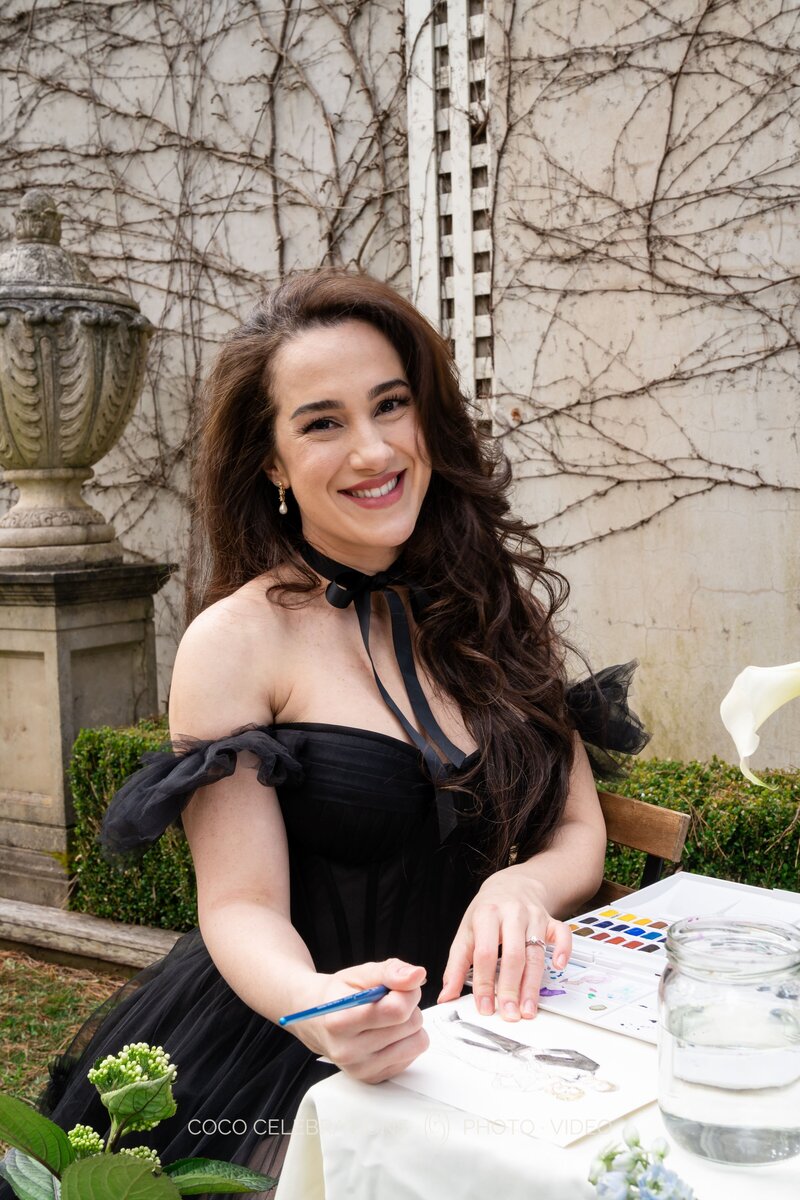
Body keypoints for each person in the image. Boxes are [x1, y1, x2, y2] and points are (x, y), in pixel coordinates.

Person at [0, 269, 646, 1192]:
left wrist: (523, 885)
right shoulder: (236, 641)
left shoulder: (492, 607)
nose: (375, 449)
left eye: (392, 405)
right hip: (289, 1046)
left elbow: (575, 825)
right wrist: (316, 1006)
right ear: (270, 462)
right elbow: (239, 906)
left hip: (497, 1037)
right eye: (322, 422)